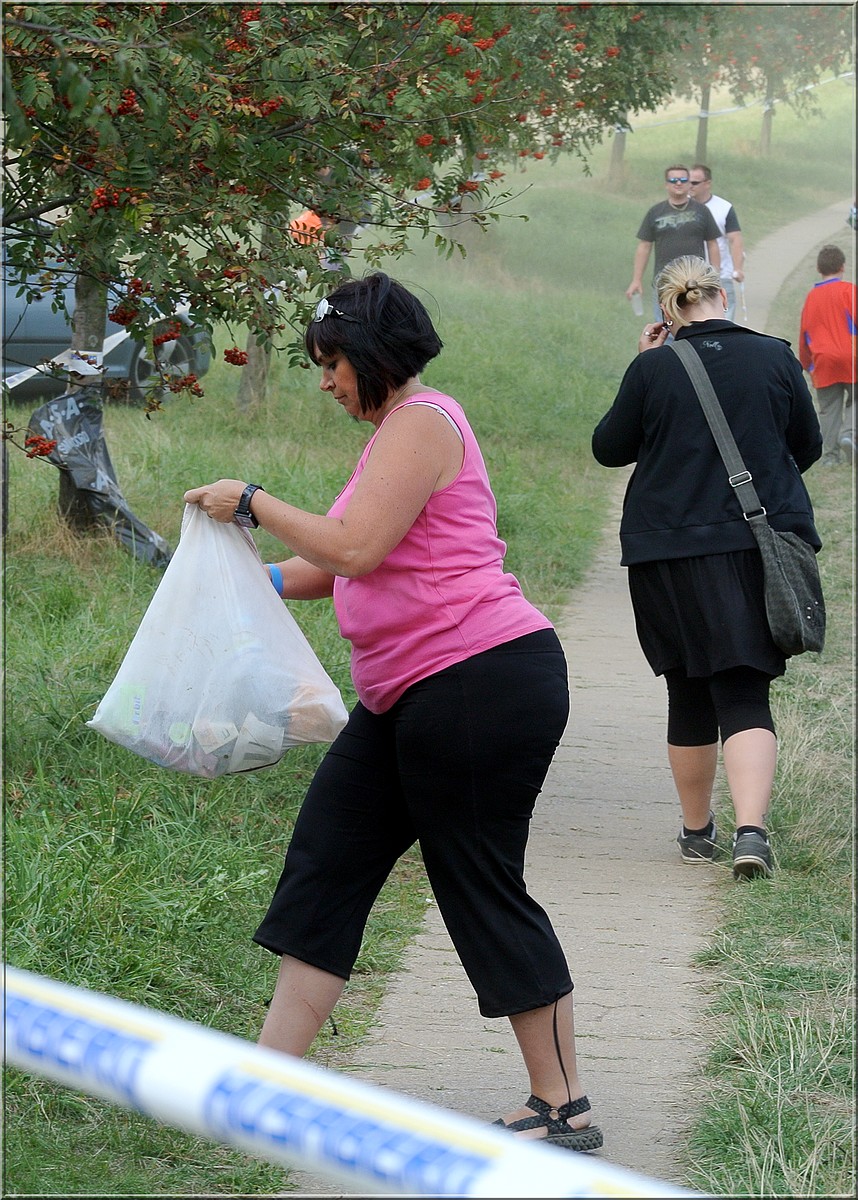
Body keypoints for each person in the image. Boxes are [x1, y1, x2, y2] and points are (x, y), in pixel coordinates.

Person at [184, 272, 602, 1152]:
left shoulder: (421, 422)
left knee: (479, 881)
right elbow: (343, 563)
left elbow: (356, 546)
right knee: (326, 866)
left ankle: (561, 1104)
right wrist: (242, 577)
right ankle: (265, 1090)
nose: (326, 383)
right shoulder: (393, 436)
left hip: (478, 682)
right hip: (407, 694)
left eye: (331, 364)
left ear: (370, 356)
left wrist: (252, 502)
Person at [594, 256, 822, 880]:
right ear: (723, 295)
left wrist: (644, 361)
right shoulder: (775, 357)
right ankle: (752, 833)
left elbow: (609, 448)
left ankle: (697, 833)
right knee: (744, 689)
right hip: (750, 547)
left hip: (663, 550)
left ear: (668, 312)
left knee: (687, 689)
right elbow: (806, 446)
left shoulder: (653, 367)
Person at [626, 164, 721, 321]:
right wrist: (636, 280)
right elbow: (644, 246)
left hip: (695, 279)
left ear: (689, 183)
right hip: (665, 280)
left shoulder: (702, 211)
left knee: (698, 322)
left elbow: (712, 244)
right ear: (666, 184)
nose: (678, 183)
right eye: (673, 180)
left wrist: (715, 275)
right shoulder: (655, 212)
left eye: (683, 180)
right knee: (666, 324)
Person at [798, 244, 856, 466]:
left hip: (823, 362)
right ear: (842, 267)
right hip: (851, 357)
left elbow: (804, 334)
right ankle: (849, 435)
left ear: (818, 269)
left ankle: (830, 456)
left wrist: (807, 364)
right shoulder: (850, 291)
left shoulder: (811, 297)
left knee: (828, 409)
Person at [689, 164, 746, 322]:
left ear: (707, 183)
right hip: (689, 275)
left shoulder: (724, 208)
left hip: (720, 275)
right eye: (688, 181)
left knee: (724, 318)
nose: (689, 186)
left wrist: (737, 269)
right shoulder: (682, 208)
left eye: (695, 183)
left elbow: (735, 239)